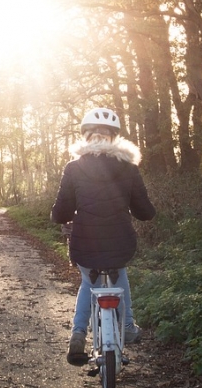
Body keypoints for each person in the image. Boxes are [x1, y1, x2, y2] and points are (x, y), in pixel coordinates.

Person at [51, 107, 157, 366]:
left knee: (89, 281)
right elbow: (145, 212)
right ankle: (128, 326)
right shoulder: (129, 168)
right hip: (120, 241)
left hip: (84, 242)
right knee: (119, 274)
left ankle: (78, 334)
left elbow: (61, 211)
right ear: (114, 138)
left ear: (86, 137)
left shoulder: (74, 168)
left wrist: (62, 216)